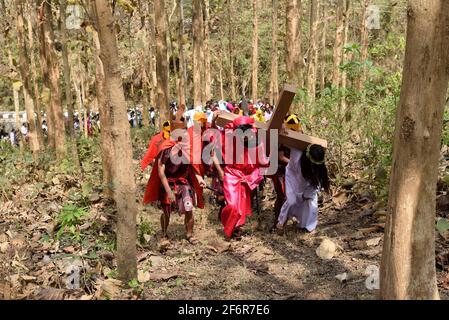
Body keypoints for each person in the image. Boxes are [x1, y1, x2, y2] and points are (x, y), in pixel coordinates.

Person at [142, 120, 206, 245]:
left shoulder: (188, 148)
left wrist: (199, 179)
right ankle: (164, 233)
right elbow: (161, 172)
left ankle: (189, 234)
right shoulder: (165, 149)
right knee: (166, 210)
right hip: (168, 182)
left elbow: (193, 166)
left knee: (189, 207)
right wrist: (168, 191)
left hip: (183, 182)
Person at [220, 116, 265, 240]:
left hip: (246, 177)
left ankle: (235, 229)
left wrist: (251, 177)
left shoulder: (257, 143)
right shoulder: (230, 137)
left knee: (241, 208)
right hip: (231, 175)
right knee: (233, 206)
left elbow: (262, 164)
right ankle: (227, 227)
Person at [276, 143, 330, 234]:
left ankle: (310, 226)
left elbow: (317, 182)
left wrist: (307, 194)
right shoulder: (297, 153)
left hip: (309, 183)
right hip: (292, 178)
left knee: (310, 203)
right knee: (291, 201)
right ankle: (281, 222)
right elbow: (287, 140)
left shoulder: (317, 167)